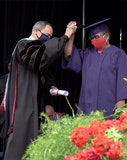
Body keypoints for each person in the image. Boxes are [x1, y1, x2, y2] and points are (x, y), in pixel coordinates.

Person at [2, 20, 77, 159]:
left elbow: (42, 74)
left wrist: (50, 86)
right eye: (47, 35)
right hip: (22, 105)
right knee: (20, 143)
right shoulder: (23, 44)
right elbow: (39, 59)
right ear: (36, 31)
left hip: (33, 105)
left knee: (33, 144)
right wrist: (65, 37)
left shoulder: (35, 49)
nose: (48, 39)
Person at [62, 18, 127, 117]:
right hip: (87, 106)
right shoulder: (87, 54)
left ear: (107, 36)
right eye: (91, 38)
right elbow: (68, 55)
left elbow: (123, 79)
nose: (93, 40)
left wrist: (121, 102)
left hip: (109, 105)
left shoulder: (118, 54)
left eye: (96, 37)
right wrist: (72, 35)